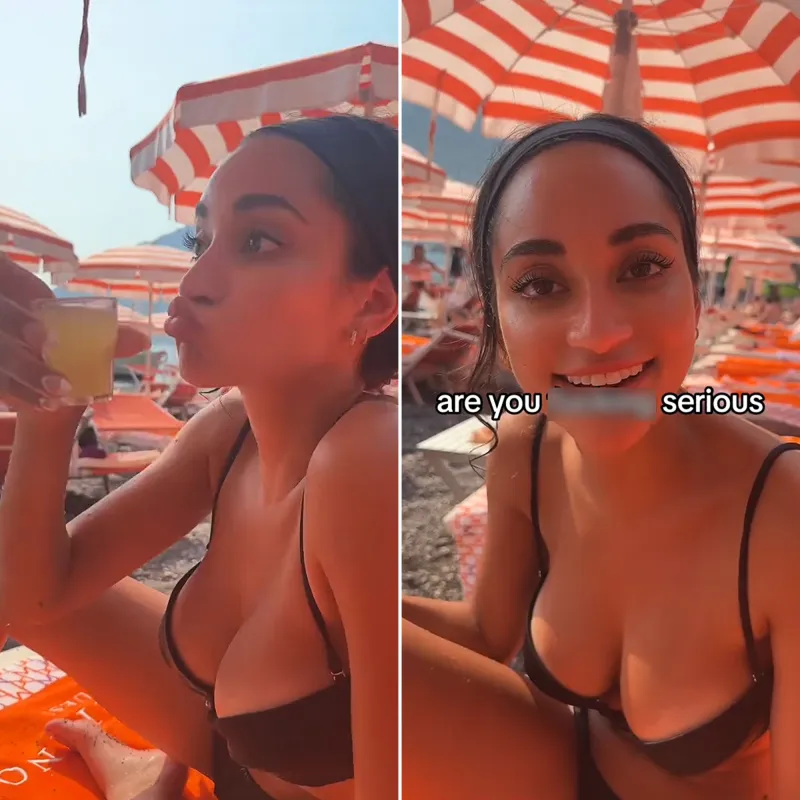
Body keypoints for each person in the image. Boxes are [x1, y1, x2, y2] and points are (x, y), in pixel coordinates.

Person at [0, 114, 399, 800]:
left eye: (259, 240)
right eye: (200, 239)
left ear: (371, 302)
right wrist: (49, 419)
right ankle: (140, 766)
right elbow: (31, 599)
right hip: (234, 767)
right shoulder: (228, 433)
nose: (197, 281)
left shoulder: (366, 457)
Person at [402, 114, 800, 799]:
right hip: (551, 770)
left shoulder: (780, 510)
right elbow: (489, 630)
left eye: (642, 266)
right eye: (540, 284)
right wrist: (341, 591)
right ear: (496, 317)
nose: (599, 332)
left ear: (695, 290)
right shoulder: (525, 450)